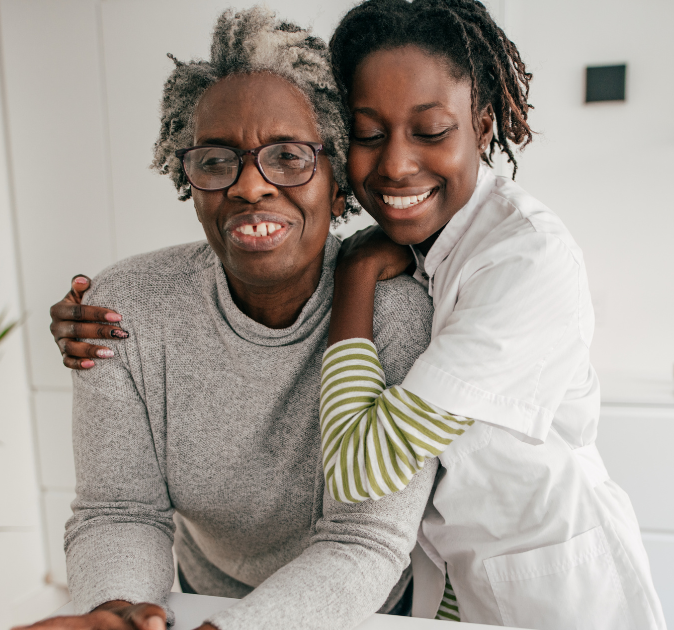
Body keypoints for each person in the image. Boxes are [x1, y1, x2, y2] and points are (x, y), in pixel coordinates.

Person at [25, 8, 437, 630]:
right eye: (217, 160)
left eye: (289, 156)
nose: (249, 187)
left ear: (336, 175)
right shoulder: (125, 309)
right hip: (201, 596)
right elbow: (119, 510)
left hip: (358, 610)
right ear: (187, 178)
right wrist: (117, 612)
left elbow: (364, 539)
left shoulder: (399, 314)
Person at [316, 1, 667, 628]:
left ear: (482, 128)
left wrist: (355, 275)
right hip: (455, 585)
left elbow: (361, 464)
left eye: (430, 132)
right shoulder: (425, 243)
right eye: (369, 134)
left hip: (553, 594)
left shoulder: (524, 258)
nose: (395, 163)